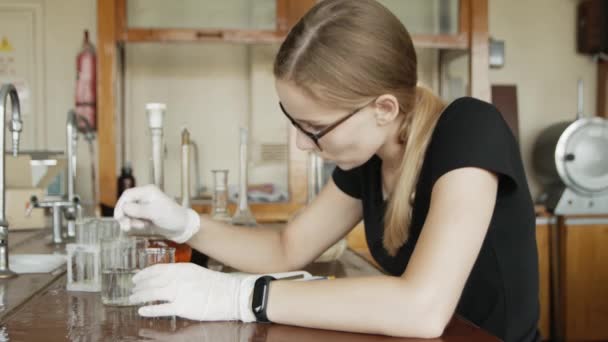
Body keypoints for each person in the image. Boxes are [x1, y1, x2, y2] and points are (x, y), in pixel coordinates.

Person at [115, 0, 540, 341]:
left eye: (316, 128)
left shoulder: (470, 129)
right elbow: (287, 248)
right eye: (295, 122)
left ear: (384, 109)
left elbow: (422, 309)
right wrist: (185, 223)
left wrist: (244, 296)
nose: (301, 142)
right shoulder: (369, 160)